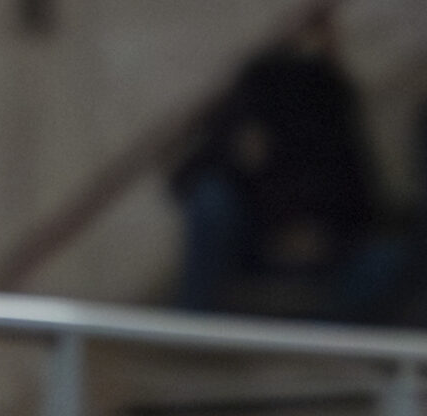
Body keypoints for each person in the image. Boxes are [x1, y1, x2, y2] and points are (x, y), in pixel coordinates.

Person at [169, 16, 405, 321]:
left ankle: (328, 338)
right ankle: (191, 329)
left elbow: (362, 198)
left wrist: (322, 234)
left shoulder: (330, 112)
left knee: (384, 258)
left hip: (323, 249)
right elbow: (187, 178)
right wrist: (237, 159)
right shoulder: (247, 109)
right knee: (211, 199)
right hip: (256, 245)